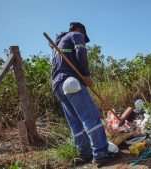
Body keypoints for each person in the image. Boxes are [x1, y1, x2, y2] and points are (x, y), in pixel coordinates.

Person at [52, 22, 118, 165]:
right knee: (91, 117)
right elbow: (81, 53)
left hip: (58, 86)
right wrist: (86, 75)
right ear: (80, 30)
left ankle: (85, 154)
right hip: (70, 81)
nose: (83, 37)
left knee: (75, 122)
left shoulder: (59, 44)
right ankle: (100, 153)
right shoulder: (76, 35)